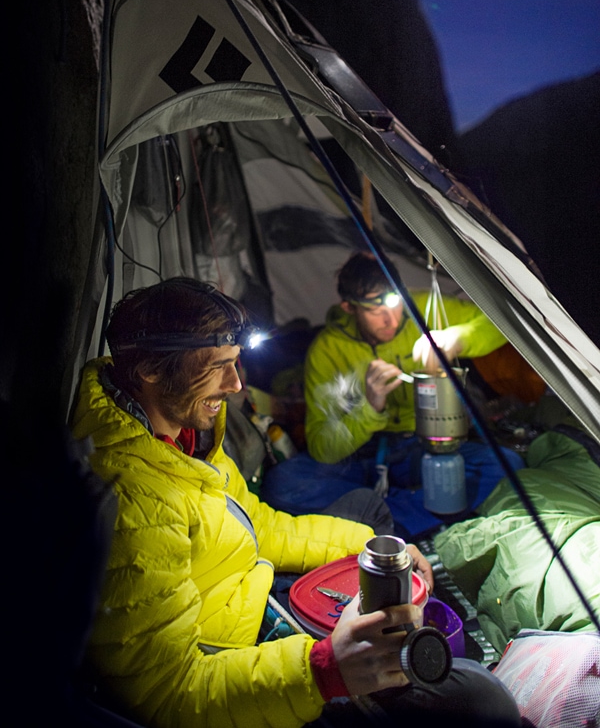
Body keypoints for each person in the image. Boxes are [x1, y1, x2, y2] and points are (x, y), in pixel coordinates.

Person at [71, 277, 520, 728]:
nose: (236, 384)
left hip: (253, 591)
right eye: (218, 367)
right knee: (485, 705)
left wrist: (370, 547)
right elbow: (169, 691)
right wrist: (326, 670)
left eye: (237, 363)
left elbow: (253, 526)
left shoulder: (182, 435)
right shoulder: (132, 502)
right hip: (239, 656)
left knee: (367, 513)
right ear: (150, 369)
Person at [260, 252, 525, 536]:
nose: (391, 319)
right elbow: (322, 447)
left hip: (419, 447)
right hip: (361, 457)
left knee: (506, 465)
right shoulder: (327, 351)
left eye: (395, 303)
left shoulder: (421, 306)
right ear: (349, 307)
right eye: (376, 311)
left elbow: (499, 320)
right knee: (282, 484)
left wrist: (457, 338)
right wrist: (369, 409)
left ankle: (376, 517)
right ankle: (415, 512)